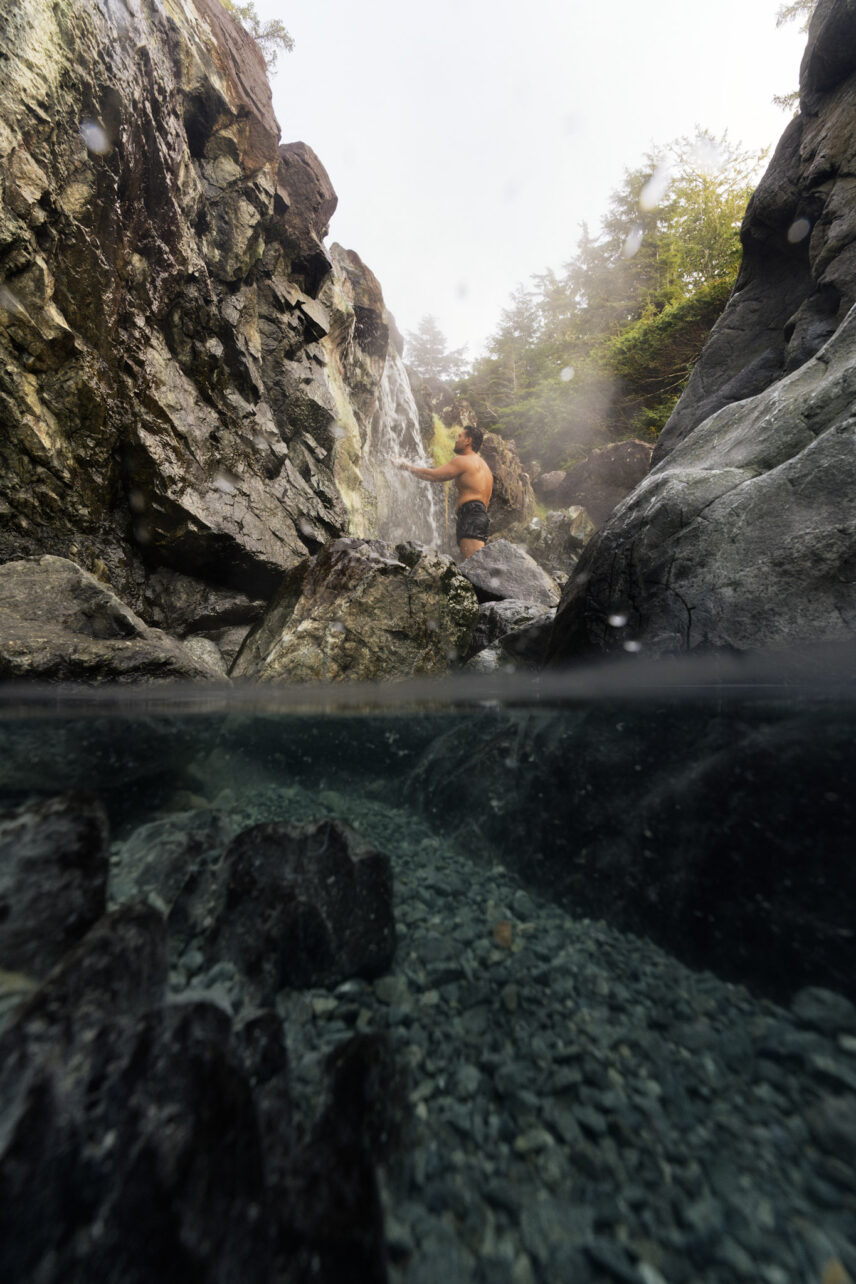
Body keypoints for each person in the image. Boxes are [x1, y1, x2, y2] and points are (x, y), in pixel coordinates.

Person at [395, 426, 493, 559]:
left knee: (475, 565)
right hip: (480, 515)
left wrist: (406, 466)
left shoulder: (463, 460)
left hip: (471, 513)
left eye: (460, 436)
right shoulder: (485, 467)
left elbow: (434, 476)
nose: (457, 440)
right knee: (475, 563)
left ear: (468, 440)